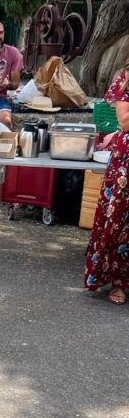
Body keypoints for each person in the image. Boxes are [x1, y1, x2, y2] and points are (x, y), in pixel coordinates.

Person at [84, 69, 129, 305]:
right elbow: (125, 121)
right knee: (120, 221)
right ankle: (118, 282)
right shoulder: (125, 78)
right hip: (126, 161)